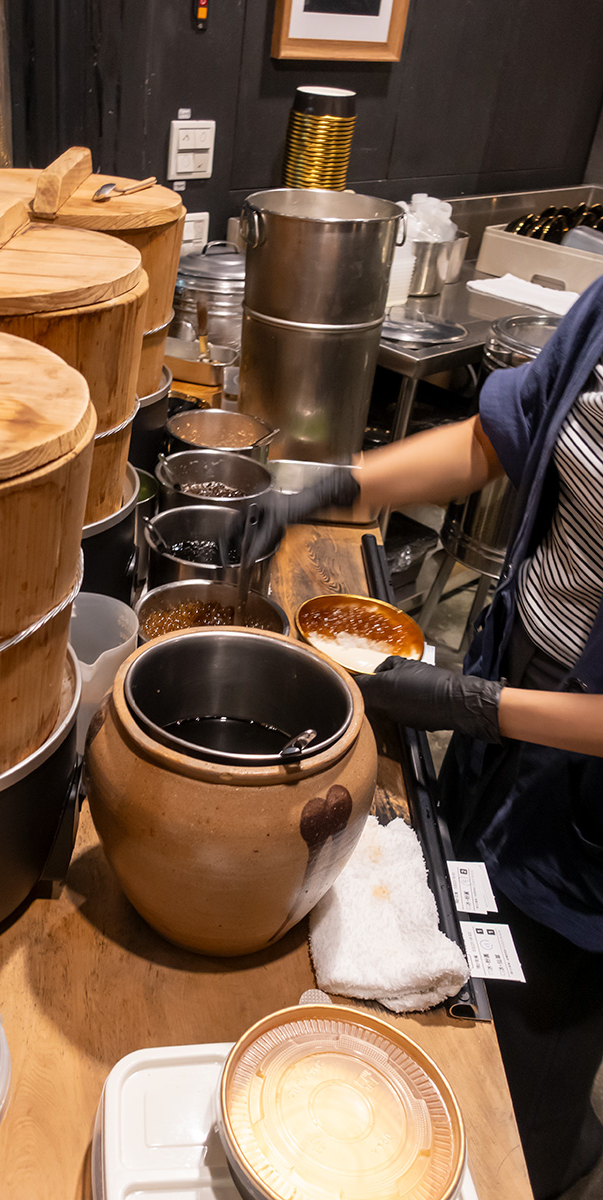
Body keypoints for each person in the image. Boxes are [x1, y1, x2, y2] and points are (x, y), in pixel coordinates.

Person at [242, 274, 603, 1200]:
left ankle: (543, 1157)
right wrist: (336, 486)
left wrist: (475, 706)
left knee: (536, 1007)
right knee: (468, 910)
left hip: (587, 799)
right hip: (519, 679)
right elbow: (497, 438)